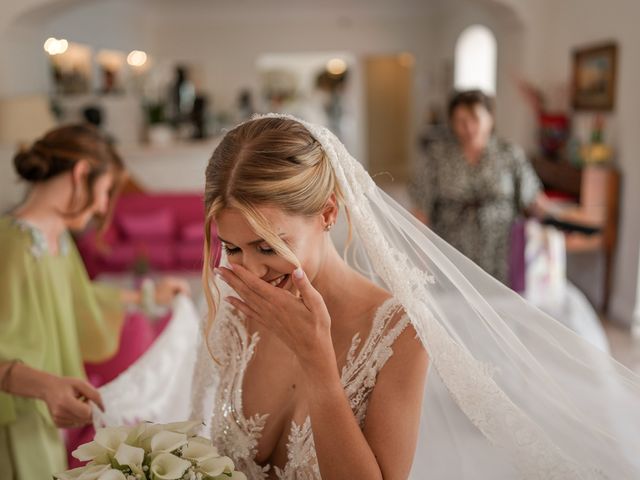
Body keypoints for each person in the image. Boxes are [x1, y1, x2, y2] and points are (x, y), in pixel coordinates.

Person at [91, 115, 640, 480]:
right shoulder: (241, 311)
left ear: (328, 213)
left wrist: (318, 364)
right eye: (232, 249)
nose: (250, 271)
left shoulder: (396, 333)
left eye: (270, 246)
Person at [0, 124, 189, 479]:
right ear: (81, 173)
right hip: (16, 419)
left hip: (47, 413)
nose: (103, 207)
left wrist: (149, 296)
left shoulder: (59, 241)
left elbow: (82, 300)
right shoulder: (14, 245)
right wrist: (45, 387)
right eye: (104, 192)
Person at [409, 90, 547, 284]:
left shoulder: (509, 154)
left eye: (475, 118)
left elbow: (533, 198)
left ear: (490, 119)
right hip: (451, 251)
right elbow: (420, 209)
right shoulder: (437, 156)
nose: (468, 127)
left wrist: (553, 223)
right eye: (460, 120)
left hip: (501, 253)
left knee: (498, 307)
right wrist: (419, 255)